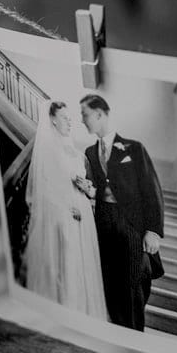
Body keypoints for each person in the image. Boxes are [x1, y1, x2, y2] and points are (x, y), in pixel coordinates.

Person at [80, 94, 165, 331]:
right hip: (103, 225)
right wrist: (89, 190)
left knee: (135, 284)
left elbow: (151, 189)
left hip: (131, 226)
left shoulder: (133, 148)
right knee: (110, 286)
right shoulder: (88, 152)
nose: (82, 120)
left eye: (85, 115)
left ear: (99, 114)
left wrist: (153, 231)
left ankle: (135, 336)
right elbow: (98, 186)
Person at [24, 100, 107, 319]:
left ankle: (86, 314)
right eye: (64, 118)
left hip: (83, 215)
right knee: (67, 266)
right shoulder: (48, 149)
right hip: (64, 216)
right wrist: (67, 208)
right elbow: (45, 187)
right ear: (52, 119)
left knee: (83, 267)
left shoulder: (75, 151)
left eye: (70, 119)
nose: (69, 122)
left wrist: (88, 189)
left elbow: (82, 180)